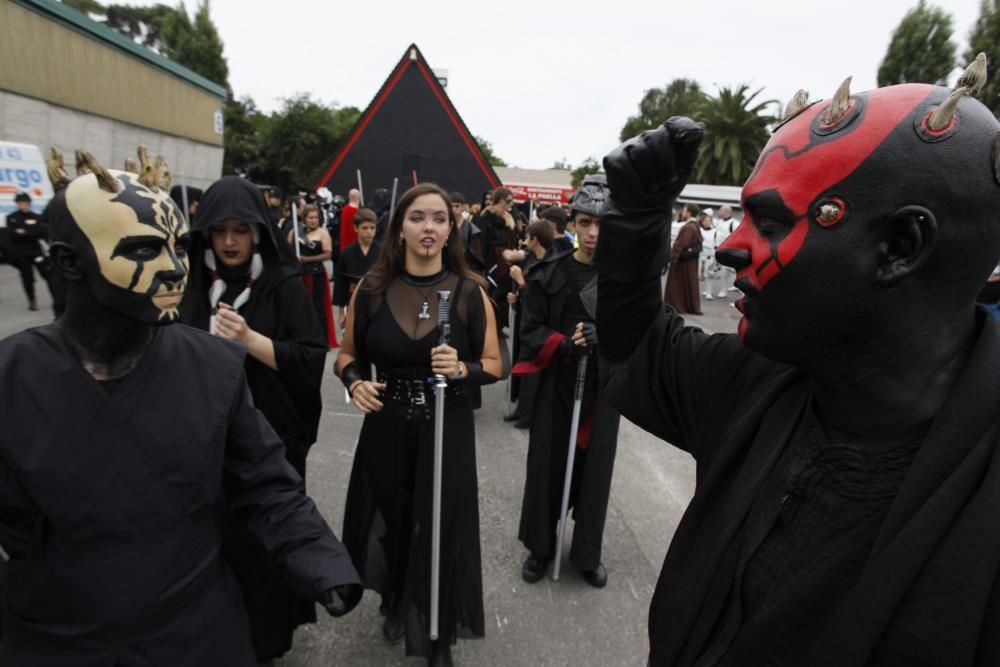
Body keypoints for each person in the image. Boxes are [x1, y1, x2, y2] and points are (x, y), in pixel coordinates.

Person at [595, 57, 1000, 665]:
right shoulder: (756, 382)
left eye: (772, 220)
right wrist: (634, 225)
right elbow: (633, 351)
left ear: (899, 248)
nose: (731, 246)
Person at [0, 150, 361, 665]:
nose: (172, 268)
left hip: (197, 631)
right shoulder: (11, 379)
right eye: (146, 250)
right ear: (67, 262)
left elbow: (266, 483)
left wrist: (322, 559)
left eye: (175, 247)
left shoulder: (212, 366)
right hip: (60, 634)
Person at [335, 183, 503, 666]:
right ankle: (394, 595)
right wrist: (353, 382)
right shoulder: (370, 290)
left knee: (440, 525)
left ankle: (438, 633)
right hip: (386, 426)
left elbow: (496, 363)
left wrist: (464, 369)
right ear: (400, 228)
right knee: (395, 516)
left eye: (439, 219)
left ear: (451, 229)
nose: (428, 228)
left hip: (446, 429)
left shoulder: (470, 292)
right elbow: (347, 355)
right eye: (417, 218)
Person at [179, 176, 331, 662]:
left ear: (258, 233)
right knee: (207, 546)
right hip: (199, 442)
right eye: (220, 230)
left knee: (262, 546)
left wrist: (250, 340)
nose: (229, 242)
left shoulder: (283, 286)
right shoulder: (188, 284)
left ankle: (265, 638)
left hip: (267, 442)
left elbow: (310, 360)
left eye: (240, 230)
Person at [513, 175, 621, 589]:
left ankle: (587, 553)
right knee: (546, 466)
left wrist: (604, 338)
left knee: (594, 474)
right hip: (556, 387)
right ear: (572, 223)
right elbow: (530, 330)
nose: (593, 233)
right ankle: (540, 546)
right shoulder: (546, 274)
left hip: (603, 393)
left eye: (602, 225)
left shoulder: (622, 282)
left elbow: (638, 333)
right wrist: (562, 345)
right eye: (586, 222)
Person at [503, 218, 554, 429]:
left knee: (531, 372)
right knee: (522, 368)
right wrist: (516, 295)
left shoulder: (550, 264)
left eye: (528, 237)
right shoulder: (532, 259)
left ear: (535, 239)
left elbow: (542, 297)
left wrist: (522, 283)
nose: (525, 241)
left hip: (540, 328)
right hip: (526, 322)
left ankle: (528, 414)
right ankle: (521, 410)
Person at [289, 204, 337, 348]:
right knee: (299, 307)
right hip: (298, 275)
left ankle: (322, 340)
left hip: (316, 275)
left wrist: (306, 259)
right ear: (304, 218)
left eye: (316, 217)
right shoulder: (295, 232)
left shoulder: (323, 233)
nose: (313, 220)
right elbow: (286, 249)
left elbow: (328, 254)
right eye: (310, 217)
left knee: (318, 308)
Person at [333, 207, 381, 328]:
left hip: (378, 302)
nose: (369, 232)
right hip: (353, 301)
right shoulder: (347, 253)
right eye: (365, 228)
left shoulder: (383, 252)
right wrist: (341, 313)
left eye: (372, 228)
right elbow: (341, 284)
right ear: (356, 228)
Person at [4, 192, 53, 311]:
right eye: (20, 203)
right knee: (27, 277)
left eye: (24, 203)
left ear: (29, 203)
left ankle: (57, 298)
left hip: (36, 251)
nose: (22, 205)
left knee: (48, 275)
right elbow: (13, 234)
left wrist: (25, 233)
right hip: (21, 253)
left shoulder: (36, 217)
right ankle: (32, 301)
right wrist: (28, 233)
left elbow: (39, 232)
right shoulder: (12, 217)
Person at [664, 202, 702, 314]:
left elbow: (680, 244)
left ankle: (677, 305)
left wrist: (673, 256)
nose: (683, 213)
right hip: (689, 261)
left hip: (683, 261)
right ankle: (685, 305)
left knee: (678, 284)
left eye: (684, 210)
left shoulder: (690, 227)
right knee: (687, 283)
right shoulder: (694, 226)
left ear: (689, 213)